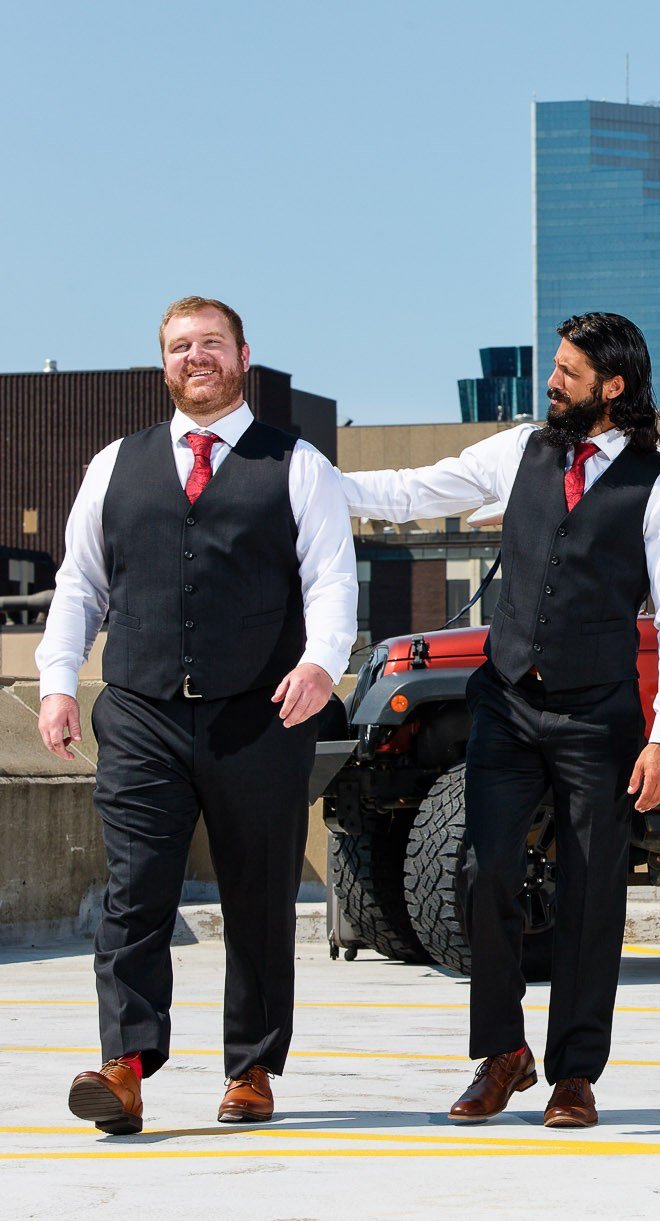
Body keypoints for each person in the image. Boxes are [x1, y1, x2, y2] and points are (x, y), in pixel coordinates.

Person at [340, 312, 660, 1129]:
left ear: (613, 386)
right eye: (555, 366)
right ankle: (503, 1051)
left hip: (597, 716)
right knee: (483, 871)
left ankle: (574, 1073)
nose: (552, 382)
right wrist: (316, 482)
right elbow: (417, 491)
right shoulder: (519, 451)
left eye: (569, 371)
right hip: (506, 704)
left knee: (590, 893)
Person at [39, 296, 357, 1134]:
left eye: (212, 342)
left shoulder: (299, 465)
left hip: (261, 713)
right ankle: (124, 1066)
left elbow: (332, 579)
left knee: (260, 896)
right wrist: (58, 680)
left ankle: (251, 1068)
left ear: (243, 355)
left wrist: (321, 662)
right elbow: (79, 583)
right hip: (140, 710)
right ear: (165, 363)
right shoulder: (114, 464)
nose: (196, 356)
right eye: (181, 345)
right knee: (134, 891)